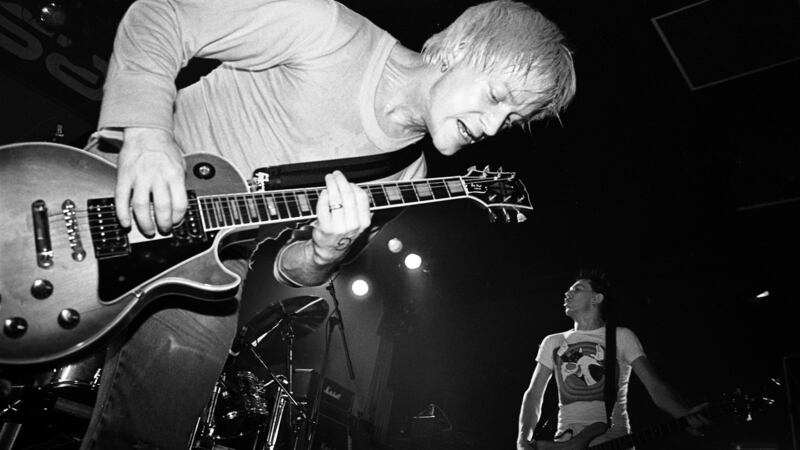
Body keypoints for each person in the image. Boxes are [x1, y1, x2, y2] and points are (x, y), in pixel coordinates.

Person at [81, 0, 576, 448]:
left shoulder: (407, 175)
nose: (492, 128)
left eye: (510, 120)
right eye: (495, 96)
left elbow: (292, 272)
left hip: (201, 275)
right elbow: (162, 15)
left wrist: (324, 253)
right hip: (105, 198)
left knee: (141, 437)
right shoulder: (327, 31)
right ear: (459, 50)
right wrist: (147, 135)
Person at [516, 271, 708, 449]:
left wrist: (682, 414)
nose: (567, 293)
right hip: (566, 440)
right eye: (569, 289)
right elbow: (534, 395)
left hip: (612, 438)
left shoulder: (621, 336)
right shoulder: (553, 341)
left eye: (577, 289)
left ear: (596, 298)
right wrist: (523, 438)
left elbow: (654, 386)